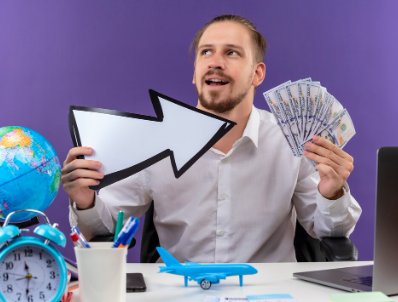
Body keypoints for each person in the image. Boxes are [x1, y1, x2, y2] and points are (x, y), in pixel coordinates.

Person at [63, 15, 361, 263]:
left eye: (231, 52)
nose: (215, 62)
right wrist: (85, 200)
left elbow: (330, 231)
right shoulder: (155, 141)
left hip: (269, 293)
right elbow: (103, 230)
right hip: (178, 293)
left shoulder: (294, 143)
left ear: (257, 74)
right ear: (195, 74)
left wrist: (332, 194)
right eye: (206, 52)